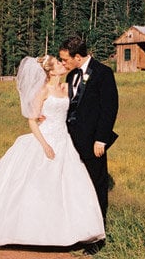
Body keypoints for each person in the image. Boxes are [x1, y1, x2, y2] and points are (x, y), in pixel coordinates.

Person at [0, 55, 105, 249]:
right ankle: (27, 232)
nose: (62, 64)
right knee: (37, 185)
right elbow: (32, 120)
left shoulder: (67, 87)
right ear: (50, 71)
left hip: (64, 140)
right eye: (58, 63)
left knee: (68, 184)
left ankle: (67, 232)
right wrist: (45, 145)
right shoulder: (42, 90)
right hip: (46, 138)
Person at [59, 36, 119, 252]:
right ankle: (78, 232)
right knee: (76, 187)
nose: (63, 63)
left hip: (94, 142)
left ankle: (97, 239)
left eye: (65, 59)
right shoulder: (72, 74)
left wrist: (101, 139)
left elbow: (109, 108)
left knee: (96, 185)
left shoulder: (103, 73)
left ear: (77, 57)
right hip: (70, 141)